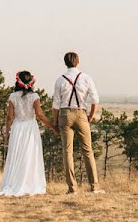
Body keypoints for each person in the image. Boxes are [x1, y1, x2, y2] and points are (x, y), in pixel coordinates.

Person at [0, 70, 56, 196]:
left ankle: (14, 183)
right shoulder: (35, 96)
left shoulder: (12, 96)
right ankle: (31, 183)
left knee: (17, 155)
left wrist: (7, 132)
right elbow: (40, 115)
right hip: (30, 128)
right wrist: (53, 127)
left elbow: (10, 117)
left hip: (17, 128)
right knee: (30, 155)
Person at [52, 51, 103, 194]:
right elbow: (95, 100)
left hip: (64, 114)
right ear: (78, 61)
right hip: (81, 113)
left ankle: (72, 188)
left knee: (67, 151)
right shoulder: (86, 78)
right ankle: (94, 186)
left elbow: (56, 104)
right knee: (88, 150)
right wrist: (91, 116)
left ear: (65, 62)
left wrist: (55, 122)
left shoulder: (60, 80)